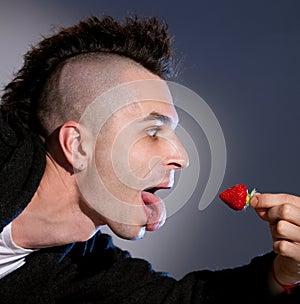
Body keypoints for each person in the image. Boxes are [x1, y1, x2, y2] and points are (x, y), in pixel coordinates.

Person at [0, 15, 299, 303]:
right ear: (77, 146)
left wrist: (285, 272)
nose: (181, 157)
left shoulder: (83, 266)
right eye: (153, 131)